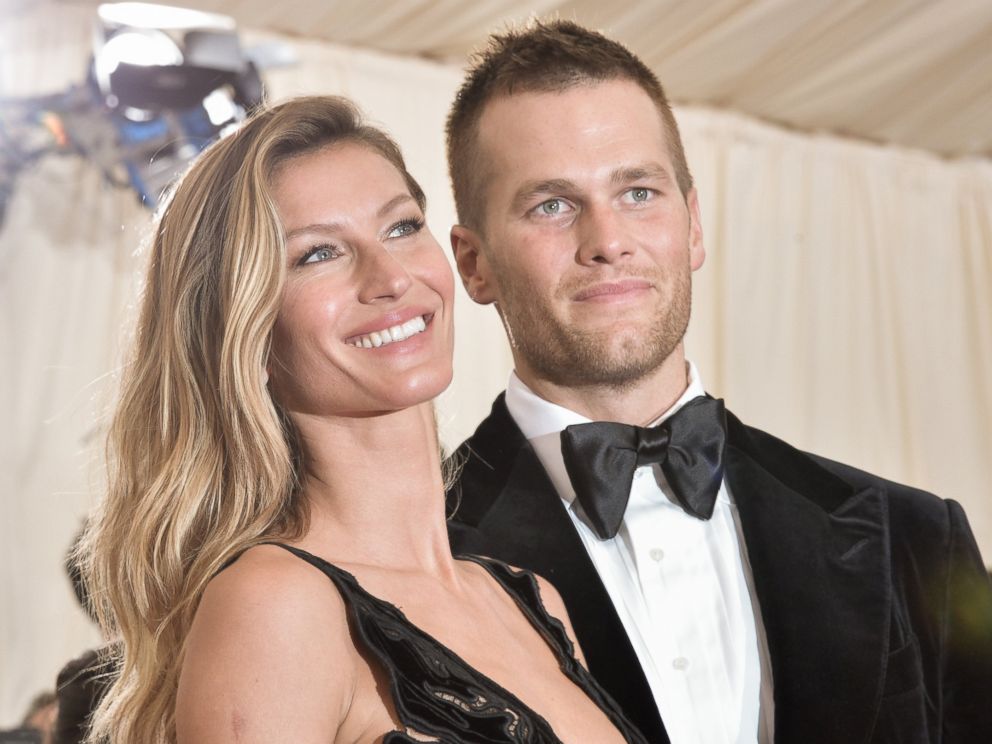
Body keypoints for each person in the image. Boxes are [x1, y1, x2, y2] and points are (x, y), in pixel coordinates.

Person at [444, 19, 992, 744]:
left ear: (693, 224)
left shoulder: (914, 538)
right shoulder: (410, 559)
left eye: (638, 191)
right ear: (473, 264)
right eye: (552, 205)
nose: (608, 240)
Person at [78, 96, 649, 744]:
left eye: (402, 226)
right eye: (318, 253)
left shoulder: (531, 602)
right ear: (244, 329)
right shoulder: (275, 605)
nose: (390, 278)